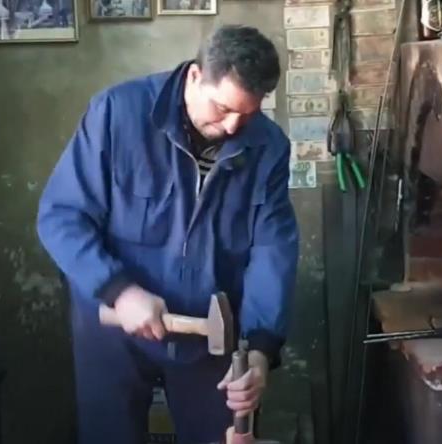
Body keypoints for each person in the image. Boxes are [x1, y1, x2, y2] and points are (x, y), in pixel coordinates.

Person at [36, 25, 299, 444]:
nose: (233, 126)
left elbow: (272, 251)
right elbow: (61, 216)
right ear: (196, 76)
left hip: (210, 334)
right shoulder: (117, 115)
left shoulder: (269, 147)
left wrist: (261, 350)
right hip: (115, 326)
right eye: (222, 108)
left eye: (248, 114)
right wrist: (119, 291)